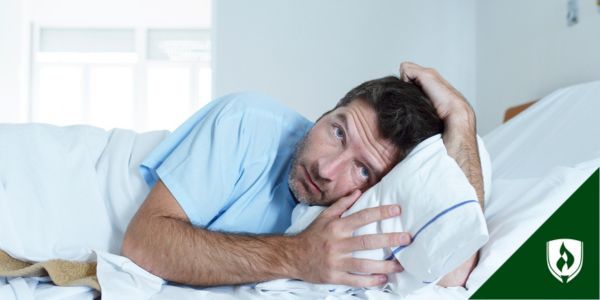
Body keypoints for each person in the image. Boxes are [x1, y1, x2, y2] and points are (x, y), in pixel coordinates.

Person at [122, 62, 484, 288]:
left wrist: (462, 121)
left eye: (362, 169)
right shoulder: (245, 121)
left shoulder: (372, 215)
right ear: (328, 111)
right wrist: (296, 256)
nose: (326, 170)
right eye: (338, 132)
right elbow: (142, 243)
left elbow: (455, 272)